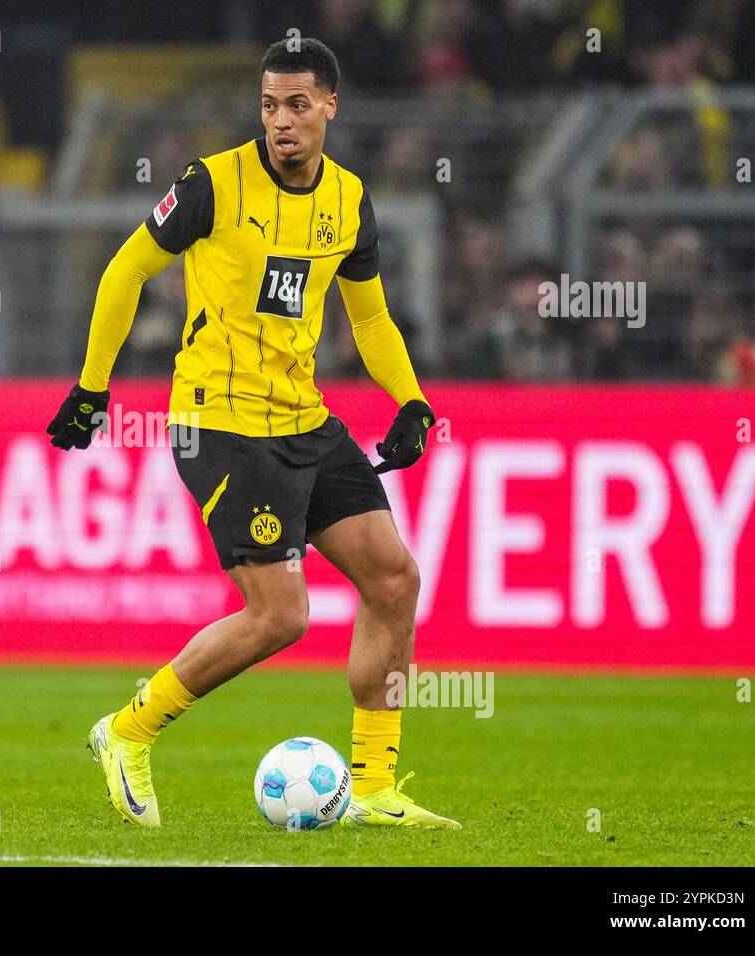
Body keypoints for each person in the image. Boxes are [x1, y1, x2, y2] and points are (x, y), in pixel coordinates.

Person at [46, 38, 458, 830]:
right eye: (269, 105)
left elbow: (367, 313)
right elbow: (125, 269)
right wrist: (92, 387)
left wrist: (411, 402)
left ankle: (372, 786)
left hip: (304, 417)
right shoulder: (212, 183)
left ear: (331, 106)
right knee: (282, 615)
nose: (281, 122)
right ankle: (128, 730)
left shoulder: (349, 199)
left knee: (394, 581)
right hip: (219, 421)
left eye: (298, 104)